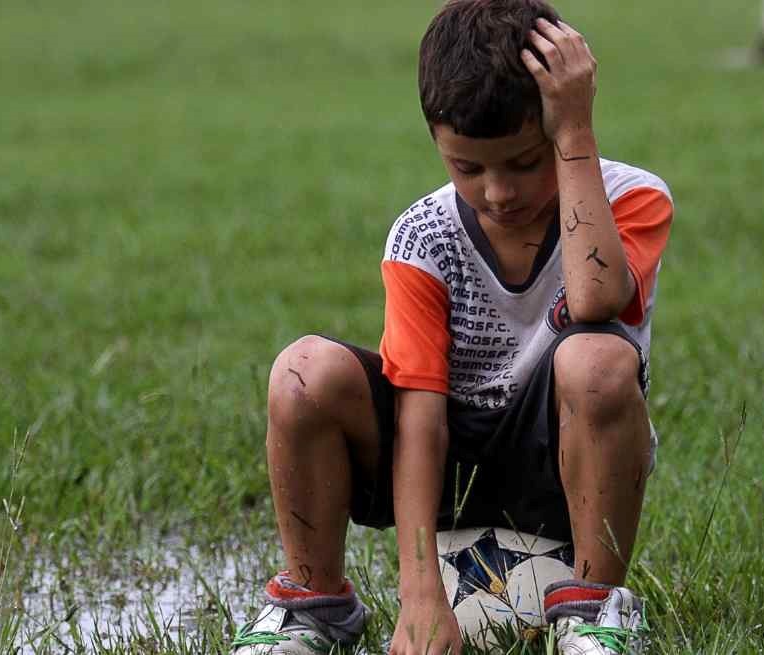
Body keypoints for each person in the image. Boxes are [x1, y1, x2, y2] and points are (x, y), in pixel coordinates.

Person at [231, 1, 673, 653]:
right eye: (467, 167)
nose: (497, 192)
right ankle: (313, 604)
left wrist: (576, 132)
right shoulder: (422, 235)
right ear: (437, 142)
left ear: (558, 127)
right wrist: (420, 597)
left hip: (560, 467)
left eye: (524, 162)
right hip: (440, 466)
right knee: (302, 373)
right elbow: (419, 415)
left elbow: (594, 299)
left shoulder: (634, 197)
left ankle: (595, 610)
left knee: (598, 362)